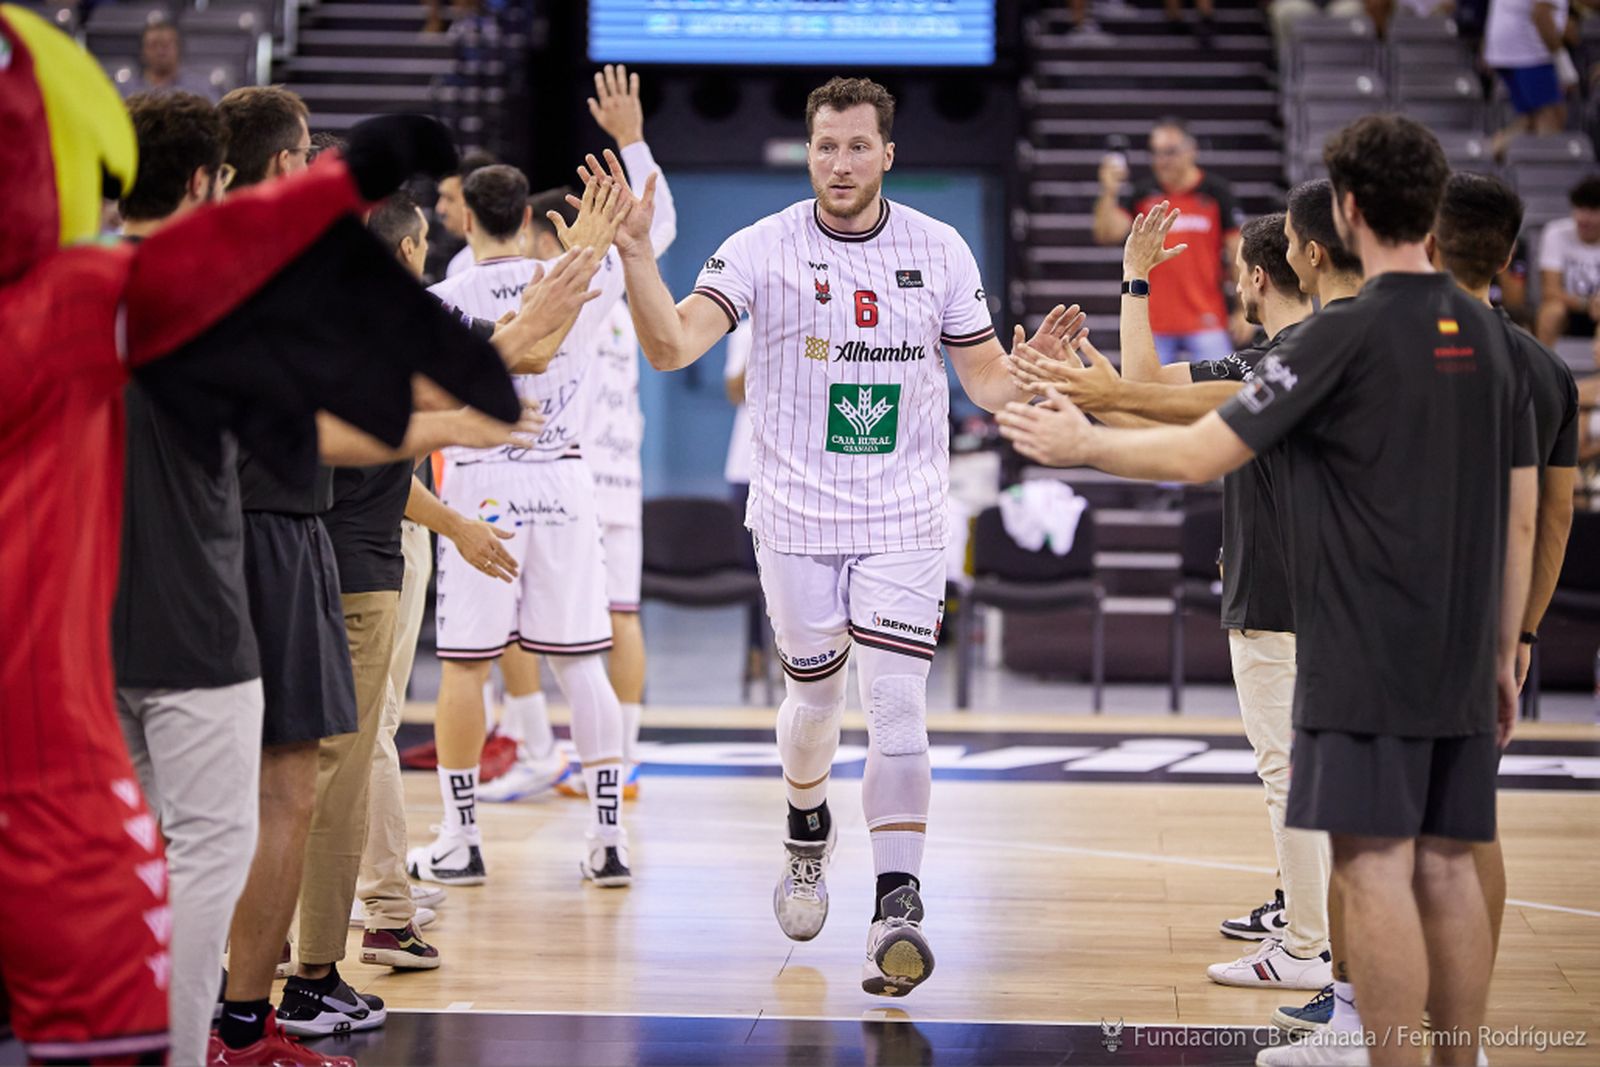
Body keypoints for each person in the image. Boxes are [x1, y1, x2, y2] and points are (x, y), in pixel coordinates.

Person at [998, 114, 1538, 1067]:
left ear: (1350, 209)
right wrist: (1503, 650)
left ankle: (1371, 1050)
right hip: (1457, 641)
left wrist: (1086, 444)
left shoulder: (1343, 333)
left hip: (1359, 638)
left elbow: (1204, 446)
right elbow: (1517, 507)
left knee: (1368, 863)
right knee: (1450, 860)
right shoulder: (1489, 336)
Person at [599, 74, 1081, 997]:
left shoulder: (939, 249)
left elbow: (985, 384)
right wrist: (634, 258)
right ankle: (805, 824)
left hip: (904, 513)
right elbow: (669, 349)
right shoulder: (760, 247)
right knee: (815, 704)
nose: (842, 162)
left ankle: (897, 907)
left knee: (897, 705)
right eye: (827, 146)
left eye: (859, 145)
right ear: (808, 151)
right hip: (794, 516)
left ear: (889, 153)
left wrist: (1032, 375)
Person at [211, 87, 537, 1059]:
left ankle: (277, 979)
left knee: (324, 775)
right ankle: (295, 978)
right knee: (319, 780)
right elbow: (368, 439)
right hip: (325, 558)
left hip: (308, 553)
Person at [1011, 205, 1335, 997]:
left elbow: (1138, 402)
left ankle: (1309, 943)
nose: (1232, 280)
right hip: (1331, 593)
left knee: (1287, 769)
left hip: (1283, 593)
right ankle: (1305, 912)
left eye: (1236, 267)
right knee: (1313, 769)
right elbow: (1141, 392)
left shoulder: (1286, 366)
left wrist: (1095, 399)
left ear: (1260, 274)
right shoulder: (1291, 357)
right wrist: (1133, 289)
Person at [408, 159, 648, 889]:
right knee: (579, 661)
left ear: (466, 218)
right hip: (567, 479)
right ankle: (609, 839)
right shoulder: (580, 284)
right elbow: (623, 265)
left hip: (483, 479)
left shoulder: (442, 298)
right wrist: (597, 245)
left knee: (466, 664)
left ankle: (461, 836)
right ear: (530, 217)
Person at [480, 65, 678, 805]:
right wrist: (632, 142)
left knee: (514, 622)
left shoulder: (559, 288)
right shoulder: (627, 281)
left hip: (564, 472)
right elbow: (656, 224)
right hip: (617, 480)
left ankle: (539, 747)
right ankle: (619, 764)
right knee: (618, 618)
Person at [110, 89, 258, 1067]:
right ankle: (176, 1050)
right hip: (197, 619)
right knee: (209, 853)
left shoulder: (52, 283)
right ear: (208, 180)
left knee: (112, 856)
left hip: (78, 622)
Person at [1093, 117, 1249, 363]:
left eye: (1170, 152)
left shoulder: (1216, 192)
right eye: (1155, 153)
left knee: (1222, 393)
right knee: (1145, 397)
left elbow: (1237, 251)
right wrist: (1109, 191)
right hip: (1152, 323)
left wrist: (1243, 309)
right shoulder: (1142, 194)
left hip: (1206, 319)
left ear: (1191, 150)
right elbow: (1107, 234)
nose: (1162, 161)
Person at [1484, 0, 1572, 155]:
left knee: (1531, 119)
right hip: (1529, 52)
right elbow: (1541, 15)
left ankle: (1495, 149)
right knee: (1551, 115)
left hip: (1508, 48)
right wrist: (1564, 64)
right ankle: (1544, 172)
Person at [1535, 176, 1600, 359]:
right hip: (1569, 309)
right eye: (1580, 209)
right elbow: (1550, 291)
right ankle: (1543, 372)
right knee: (1551, 312)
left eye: (1593, 211)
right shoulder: (1556, 233)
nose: (1584, 218)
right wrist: (1586, 304)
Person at [434, 149, 497, 280]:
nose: (440, 209)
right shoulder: (459, 266)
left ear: (477, 201)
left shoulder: (535, 256)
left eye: (449, 198)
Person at [118, 20, 218, 101]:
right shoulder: (126, 91)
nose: (160, 51)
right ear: (142, 51)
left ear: (179, 48)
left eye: (166, 45)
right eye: (153, 45)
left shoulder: (201, 89)